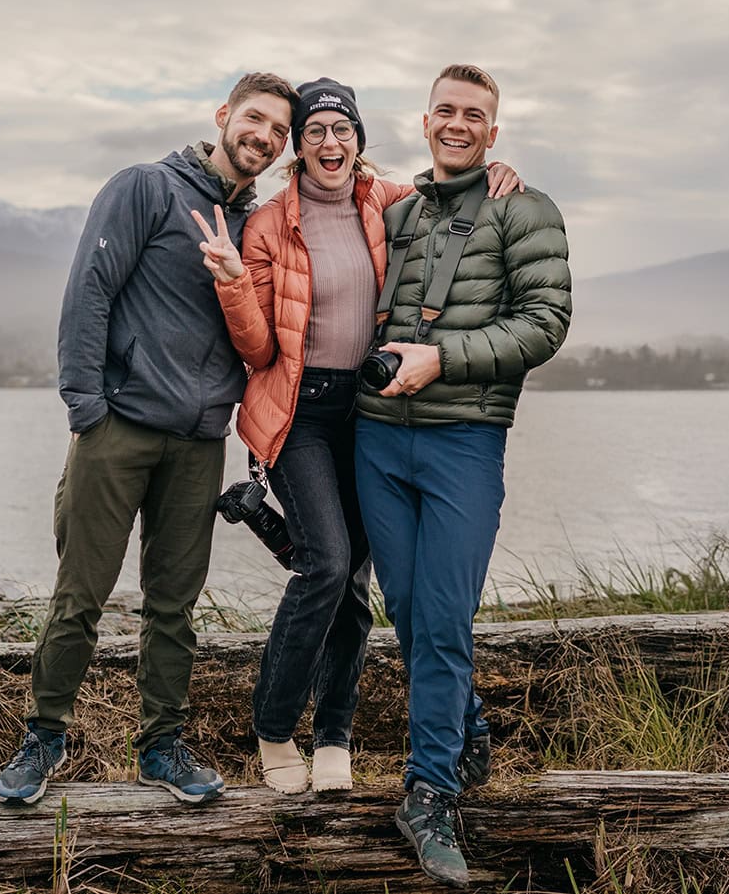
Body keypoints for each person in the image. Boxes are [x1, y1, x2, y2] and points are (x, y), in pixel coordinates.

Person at [194, 78, 521, 796]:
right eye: (314, 132)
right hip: (300, 413)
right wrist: (228, 282)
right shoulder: (269, 223)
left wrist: (496, 175)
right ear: (296, 146)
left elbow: (451, 192)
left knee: (354, 585)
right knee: (326, 564)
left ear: (359, 140)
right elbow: (254, 347)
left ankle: (334, 732)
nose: (329, 143)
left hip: (371, 412)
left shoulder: (390, 202)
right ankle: (275, 727)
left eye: (342, 130)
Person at [0, 72, 298, 807]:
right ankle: (44, 736)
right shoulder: (145, 188)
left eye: (278, 132)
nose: (263, 137)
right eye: (254, 119)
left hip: (198, 440)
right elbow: (89, 290)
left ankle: (162, 746)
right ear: (224, 115)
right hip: (118, 427)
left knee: (174, 605)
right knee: (80, 595)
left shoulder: (255, 225)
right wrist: (86, 409)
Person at [354, 64, 572, 888]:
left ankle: (430, 789)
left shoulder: (525, 208)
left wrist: (441, 358)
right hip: (375, 441)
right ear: (424, 119)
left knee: (444, 616)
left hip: (463, 442)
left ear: (492, 129)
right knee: (411, 616)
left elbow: (545, 321)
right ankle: (466, 728)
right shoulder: (395, 209)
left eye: (472, 114)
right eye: (444, 109)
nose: (456, 123)